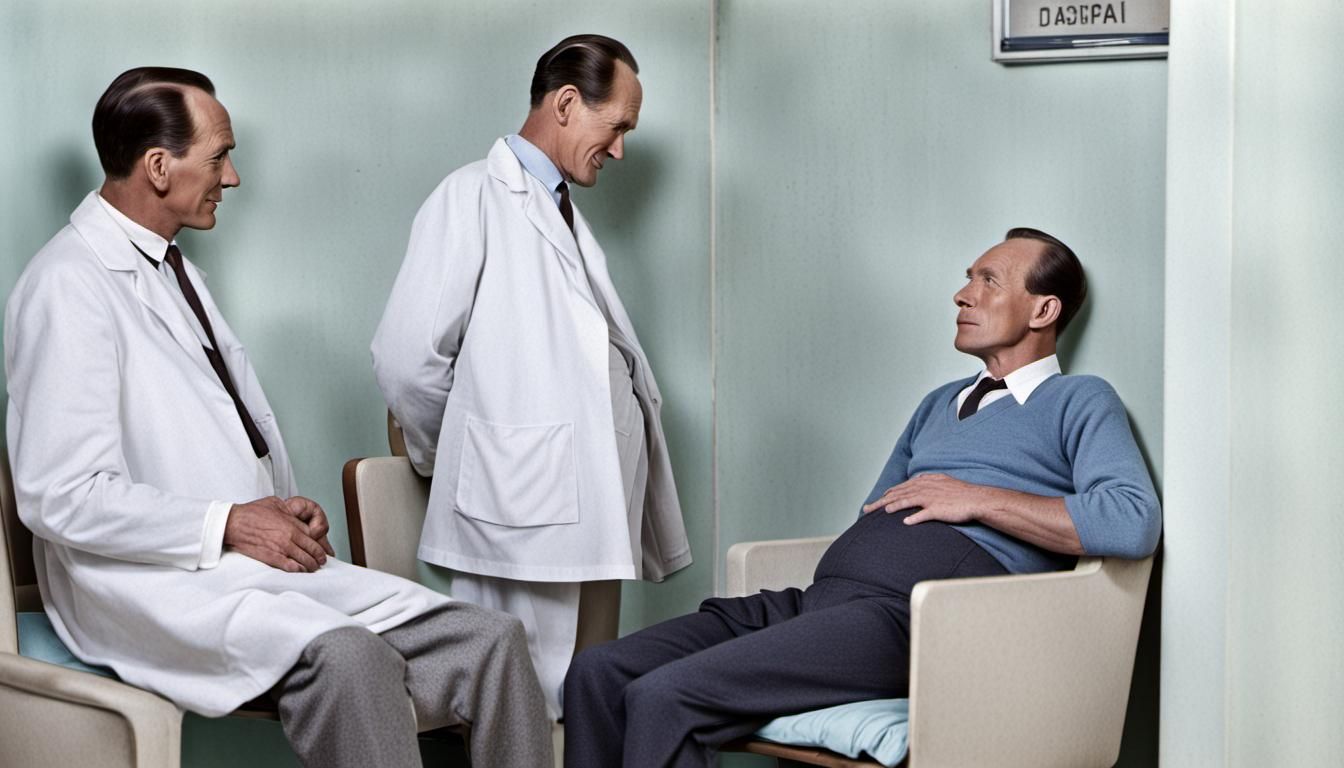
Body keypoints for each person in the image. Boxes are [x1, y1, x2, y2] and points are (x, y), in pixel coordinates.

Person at [3, 67, 552, 768]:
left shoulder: (173, 269)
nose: (231, 177)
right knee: (351, 660)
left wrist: (279, 511)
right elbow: (60, 494)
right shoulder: (66, 285)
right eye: (220, 155)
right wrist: (229, 523)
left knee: (493, 641)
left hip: (241, 568)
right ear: (159, 166)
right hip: (144, 585)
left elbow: (212, 428)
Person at [562, 229, 1163, 767]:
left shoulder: (1081, 400)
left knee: (667, 696)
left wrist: (975, 499)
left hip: (916, 622)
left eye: (987, 280)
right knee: (596, 671)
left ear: (1044, 309)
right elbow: (879, 509)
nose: (962, 294)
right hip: (822, 602)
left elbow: (1133, 522)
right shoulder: (939, 403)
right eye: (967, 278)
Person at [371, 34, 691, 718]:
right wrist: (453, 455)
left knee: (579, 706)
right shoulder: (471, 197)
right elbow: (406, 358)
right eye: (618, 127)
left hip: (589, 515)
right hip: (525, 510)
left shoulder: (557, 211)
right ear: (569, 103)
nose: (621, 149)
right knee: (526, 710)